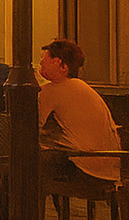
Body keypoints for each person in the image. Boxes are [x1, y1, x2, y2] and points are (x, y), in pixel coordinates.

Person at [38, 39, 122, 183]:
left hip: (86, 171)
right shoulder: (81, 87)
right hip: (110, 172)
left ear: (62, 66)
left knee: (26, 161)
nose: (41, 61)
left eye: (46, 57)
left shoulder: (53, 90)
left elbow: (33, 126)